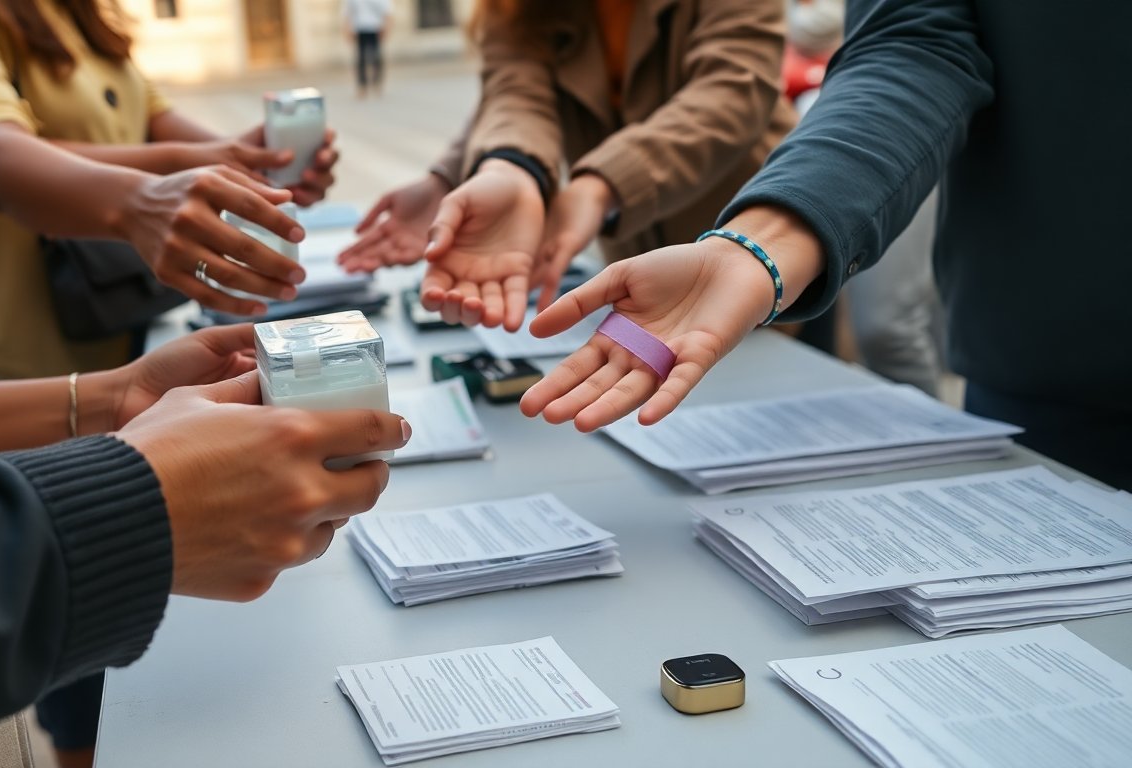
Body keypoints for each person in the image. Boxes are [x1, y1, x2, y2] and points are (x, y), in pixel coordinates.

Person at [0, 4, 408, 767]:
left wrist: (105, 404)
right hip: (18, 352)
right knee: (99, 713)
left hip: (74, 390)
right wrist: (124, 515)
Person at [519, 0, 1132, 492]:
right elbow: (913, 45)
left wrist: (599, 185)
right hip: (1055, 361)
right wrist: (750, 248)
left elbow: (732, 89)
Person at [0, 0, 340, 381]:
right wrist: (151, 194)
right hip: (14, 345)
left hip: (122, 316)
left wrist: (258, 166)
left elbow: (156, 119)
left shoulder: (79, 8)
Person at [380, 0, 796, 332]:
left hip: (760, 236)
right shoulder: (512, 9)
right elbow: (516, 92)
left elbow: (735, 88)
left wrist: (596, 188)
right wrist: (509, 169)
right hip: (636, 261)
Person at [342, 0, 392, 98]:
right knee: (361, 58)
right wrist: (347, 30)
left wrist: (387, 28)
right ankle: (362, 85)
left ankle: (377, 82)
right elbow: (347, 13)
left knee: (376, 56)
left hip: (376, 28)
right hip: (360, 29)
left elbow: (388, 12)